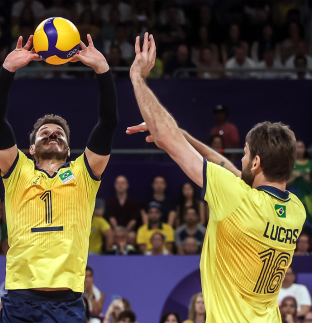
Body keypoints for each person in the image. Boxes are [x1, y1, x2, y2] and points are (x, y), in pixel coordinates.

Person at [126, 32, 306, 322]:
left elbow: (162, 135)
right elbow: (225, 165)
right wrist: (186, 137)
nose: (241, 159)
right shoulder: (296, 210)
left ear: (257, 162)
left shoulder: (237, 198)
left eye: (246, 154)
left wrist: (137, 76)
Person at [0, 33, 118, 322]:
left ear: (69, 149)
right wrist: (7, 69)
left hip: (68, 300)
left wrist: (102, 70)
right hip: (20, 298)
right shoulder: (17, 169)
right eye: (44, 133)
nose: (52, 134)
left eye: (58, 133)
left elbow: (108, 123)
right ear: (31, 148)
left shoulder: (84, 173)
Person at [288, 140, 312, 225]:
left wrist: (309, 180)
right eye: (297, 147)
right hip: (293, 199)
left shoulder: (310, 164)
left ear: (305, 149)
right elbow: (283, 183)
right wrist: (294, 177)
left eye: (301, 147)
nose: (299, 150)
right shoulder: (289, 164)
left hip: (308, 198)